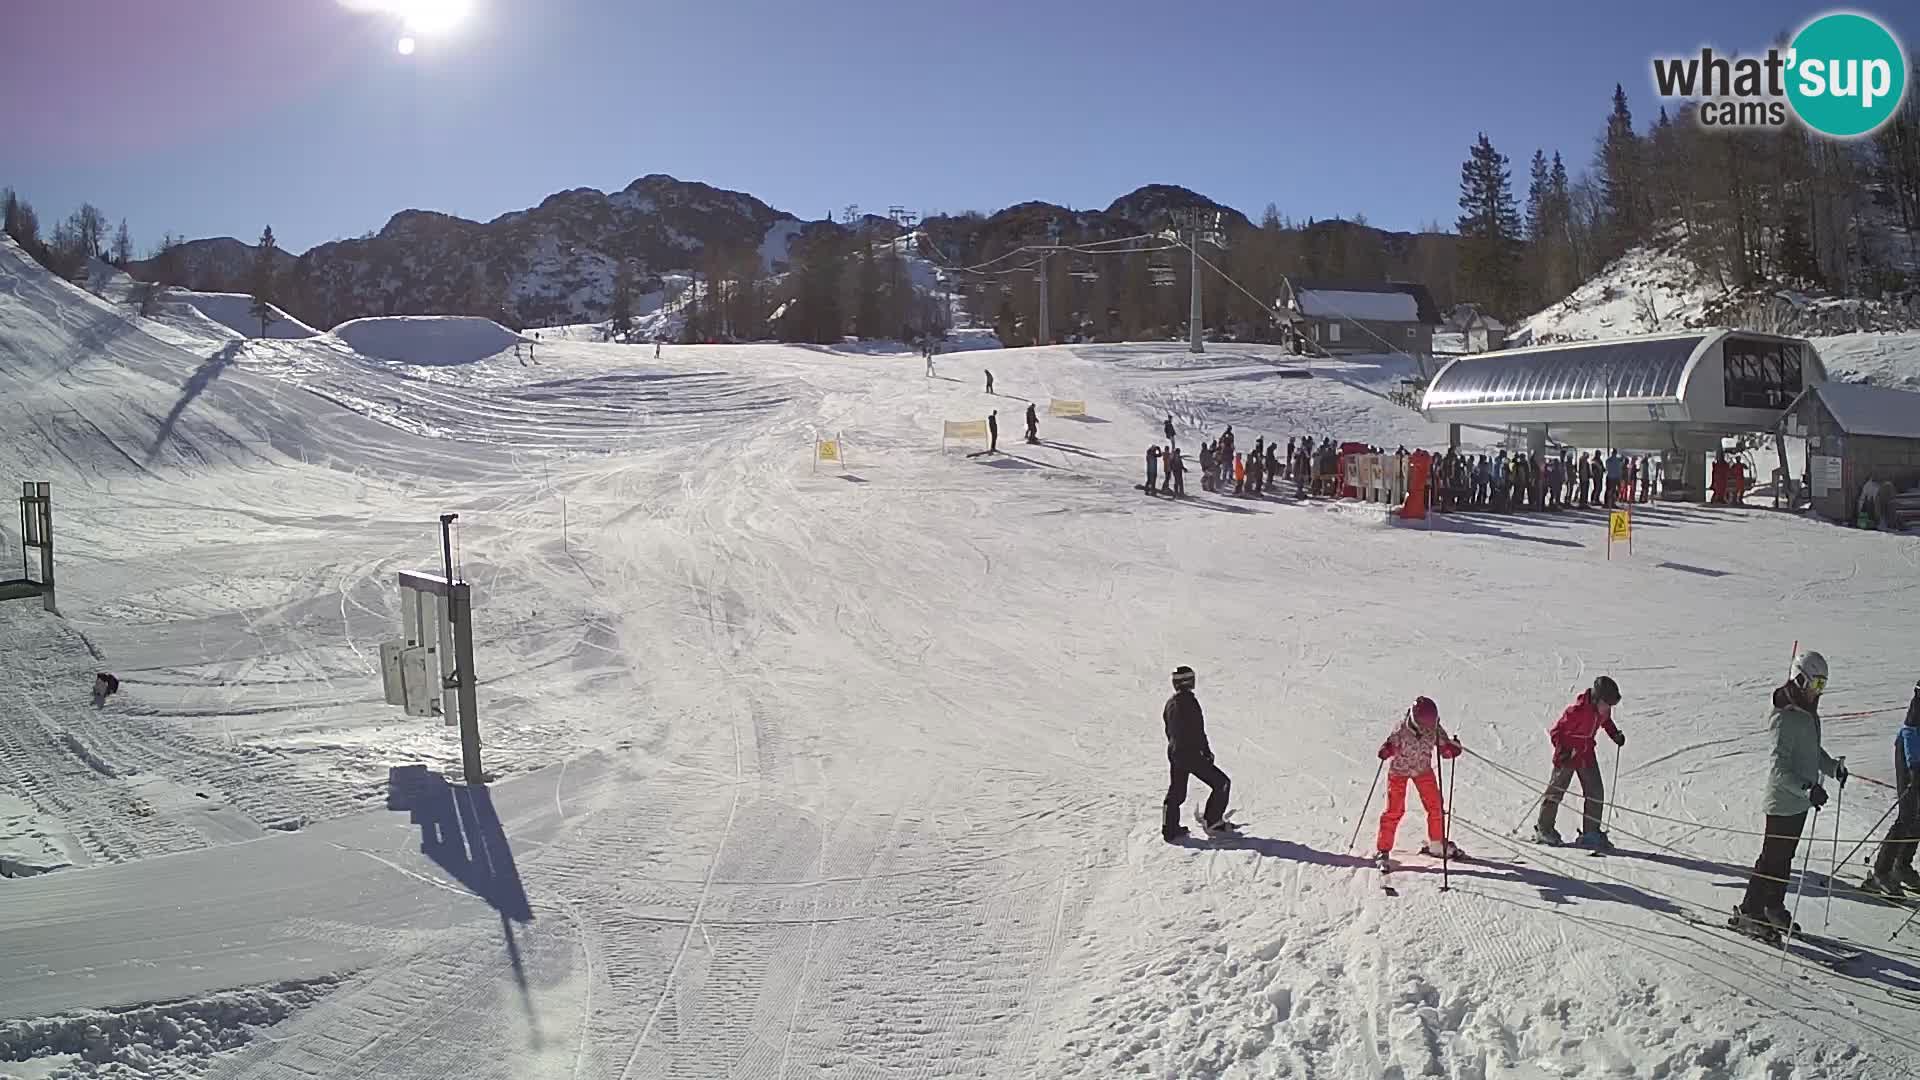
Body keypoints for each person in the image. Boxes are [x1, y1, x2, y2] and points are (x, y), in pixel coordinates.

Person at [1733, 651, 1846, 940]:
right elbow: (1779, 767)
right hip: (1783, 800)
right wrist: (1808, 788)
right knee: (1771, 858)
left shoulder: (1807, 712)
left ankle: (1773, 906)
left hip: (1800, 802)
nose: (1819, 692)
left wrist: (1832, 768)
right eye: (1816, 684)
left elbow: (1811, 752)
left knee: (1784, 859)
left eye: (1823, 685)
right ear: (1800, 679)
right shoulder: (1784, 716)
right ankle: (1750, 910)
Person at [1535, 676, 1626, 848]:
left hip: (1586, 753)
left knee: (1595, 791)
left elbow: (1605, 721)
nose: (1608, 709)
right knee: (1556, 790)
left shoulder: (1603, 709)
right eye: (1606, 704)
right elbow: (1556, 731)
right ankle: (1544, 829)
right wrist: (1563, 751)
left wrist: (1615, 734)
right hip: (1568, 754)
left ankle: (1591, 832)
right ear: (1597, 699)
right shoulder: (1576, 712)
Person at [1374, 696, 1464, 867]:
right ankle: (1383, 850)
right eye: (1425, 726)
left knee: (1435, 805)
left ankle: (1437, 845)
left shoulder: (1434, 728)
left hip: (1423, 770)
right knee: (1395, 810)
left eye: (1431, 725)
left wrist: (1451, 750)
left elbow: (1444, 748)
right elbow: (1390, 745)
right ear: (1415, 721)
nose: (1428, 729)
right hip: (1399, 772)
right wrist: (1387, 750)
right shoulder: (1401, 730)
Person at [1163, 665, 1233, 840]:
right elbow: (1197, 730)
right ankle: (1213, 822)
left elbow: (1169, 729)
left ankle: (1169, 828)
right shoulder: (1189, 701)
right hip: (1190, 753)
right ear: (1189, 682)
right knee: (1222, 783)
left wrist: (1175, 747)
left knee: (1176, 791)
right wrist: (1206, 752)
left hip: (1175, 752)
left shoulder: (1170, 703)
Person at [1864, 681, 1920, 897]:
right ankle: (1881, 871)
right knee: (1907, 815)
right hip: (1909, 755)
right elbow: (1909, 731)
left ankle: (1902, 865)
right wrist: (1914, 764)